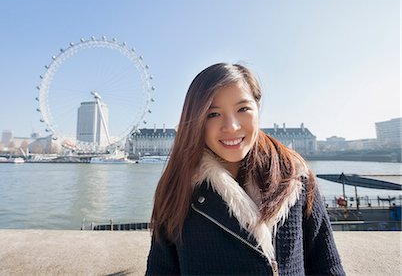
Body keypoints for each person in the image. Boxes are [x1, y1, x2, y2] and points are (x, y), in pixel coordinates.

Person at [146, 63, 345, 275]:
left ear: (258, 109)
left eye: (243, 109)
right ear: (196, 121)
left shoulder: (296, 179)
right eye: (213, 114)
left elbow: (327, 266)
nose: (231, 126)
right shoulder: (178, 191)